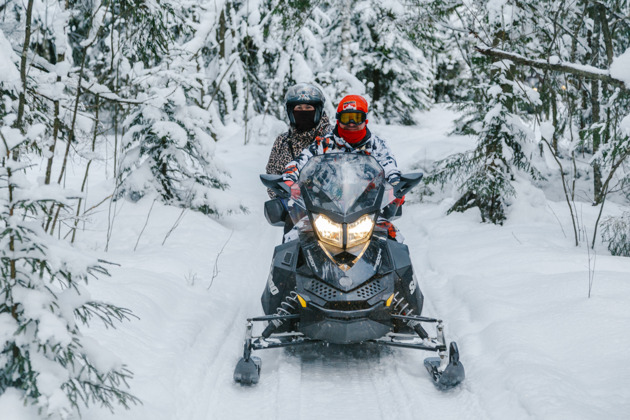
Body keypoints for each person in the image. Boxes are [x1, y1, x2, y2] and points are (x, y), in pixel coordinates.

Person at [282, 94, 404, 241]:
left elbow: (389, 166)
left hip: (367, 210)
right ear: (338, 119)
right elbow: (301, 161)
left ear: (365, 119)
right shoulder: (324, 143)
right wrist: (289, 178)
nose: (351, 123)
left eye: (356, 118)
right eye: (347, 118)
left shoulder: (377, 145)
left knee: (394, 239)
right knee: (293, 237)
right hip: (324, 209)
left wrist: (396, 183)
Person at [266, 83, 332, 236]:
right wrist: (286, 196)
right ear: (291, 112)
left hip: (333, 208)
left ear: (318, 111)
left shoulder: (332, 138)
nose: (303, 112)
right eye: (299, 108)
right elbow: (273, 175)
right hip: (297, 211)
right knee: (291, 243)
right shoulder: (283, 142)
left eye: (308, 108)